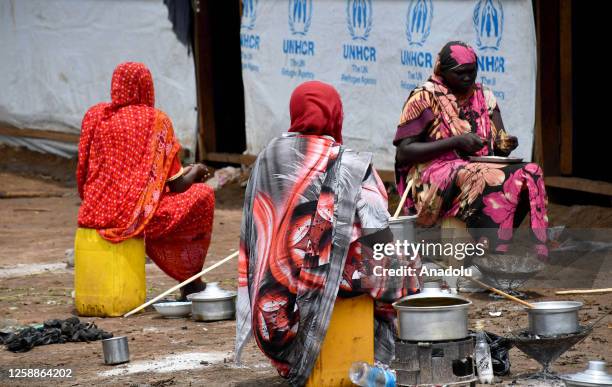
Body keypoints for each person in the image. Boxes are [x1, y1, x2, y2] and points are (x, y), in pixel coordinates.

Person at [235, 81, 419, 386]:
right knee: (403, 263)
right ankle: (383, 346)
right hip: (312, 305)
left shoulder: (267, 157)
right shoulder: (347, 162)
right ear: (336, 114)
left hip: (272, 320)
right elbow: (377, 224)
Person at [394, 41, 548, 257]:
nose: (468, 77)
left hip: (479, 167)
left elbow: (498, 147)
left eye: (472, 71)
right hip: (433, 172)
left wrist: (505, 145)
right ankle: (479, 252)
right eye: (460, 73)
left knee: (529, 173)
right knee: (482, 176)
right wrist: (456, 142)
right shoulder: (424, 97)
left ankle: (493, 245)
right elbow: (404, 153)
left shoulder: (484, 96)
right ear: (443, 71)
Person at [76, 62, 215, 298]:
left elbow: (82, 169)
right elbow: (177, 185)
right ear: (147, 87)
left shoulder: (95, 116)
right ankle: (190, 281)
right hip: (138, 219)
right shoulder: (156, 120)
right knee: (202, 196)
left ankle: (189, 281)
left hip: (94, 213)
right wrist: (195, 171)